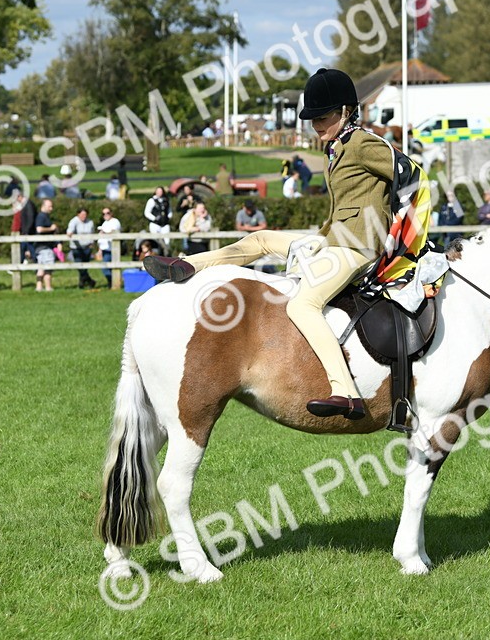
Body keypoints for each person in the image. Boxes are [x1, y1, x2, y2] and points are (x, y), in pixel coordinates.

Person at [143, 67, 405, 420]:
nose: (316, 126)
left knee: (302, 306)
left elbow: (412, 175)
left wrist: (399, 235)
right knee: (261, 238)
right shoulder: (339, 148)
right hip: (333, 241)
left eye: (323, 117)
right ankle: (190, 264)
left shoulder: (364, 143)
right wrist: (319, 239)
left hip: (358, 247)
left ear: (346, 111)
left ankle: (346, 391)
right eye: (312, 119)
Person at [66, 206, 97, 289]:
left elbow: (92, 232)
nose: (84, 216)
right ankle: (90, 281)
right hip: (76, 247)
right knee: (79, 265)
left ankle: (81, 284)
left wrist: (92, 243)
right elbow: (69, 231)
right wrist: (70, 233)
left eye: (85, 214)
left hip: (87, 247)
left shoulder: (90, 222)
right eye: (82, 214)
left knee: (85, 266)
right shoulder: (74, 221)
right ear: (78, 214)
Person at [34, 198, 59, 292]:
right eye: (49, 206)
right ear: (43, 206)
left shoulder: (44, 216)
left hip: (41, 246)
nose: (51, 208)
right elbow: (39, 229)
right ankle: (48, 287)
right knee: (47, 268)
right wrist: (51, 228)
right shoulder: (42, 216)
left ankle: (39, 287)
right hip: (44, 246)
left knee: (41, 267)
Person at [97, 206, 122, 288]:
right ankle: (112, 283)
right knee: (107, 268)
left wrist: (105, 232)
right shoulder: (104, 223)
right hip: (104, 249)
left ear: (111, 213)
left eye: (107, 213)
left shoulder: (115, 221)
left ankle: (113, 283)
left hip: (112, 249)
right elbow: (101, 238)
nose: (105, 215)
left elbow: (114, 232)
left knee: (107, 268)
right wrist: (99, 250)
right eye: (103, 213)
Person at [144, 186, 171, 255]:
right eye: (158, 191)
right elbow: (147, 212)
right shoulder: (152, 200)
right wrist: (154, 218)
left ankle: (166, 255)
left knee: (167, 241)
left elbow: (169, 211)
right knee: (156, 241)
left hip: (164, 224)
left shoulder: (166, 200)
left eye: (161, 191)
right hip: (155, 224)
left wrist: (168, 217)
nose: (160, 193)